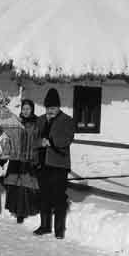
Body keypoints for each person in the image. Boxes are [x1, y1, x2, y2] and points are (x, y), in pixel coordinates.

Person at [34, 88, 75, 238]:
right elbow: (33, 139)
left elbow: (67, 139)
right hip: (42, 164)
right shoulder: (40, 120)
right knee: (44, 195)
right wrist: (40, 142)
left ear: (58, 107)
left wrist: (50, 142)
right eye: (47, 108)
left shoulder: (67, 121)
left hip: (59, 165)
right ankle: (44, 226)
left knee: (58, 197)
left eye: (53, 108)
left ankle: (59, 230)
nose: (49, 111)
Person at [3, 99, 40, 223]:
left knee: (26, 184)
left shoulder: (37, 123)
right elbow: (10, 138)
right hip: (16, 157)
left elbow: (38, 139)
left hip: (30, 157)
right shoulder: (17, 122)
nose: (25, 111)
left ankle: (24, 211)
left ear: (32, 110)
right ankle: (16, 209)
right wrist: (5, 156)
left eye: (28, 109)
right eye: (24, 109)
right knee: (15, 184)